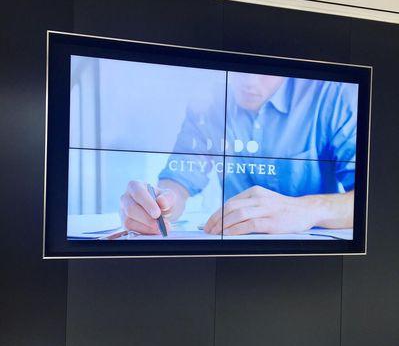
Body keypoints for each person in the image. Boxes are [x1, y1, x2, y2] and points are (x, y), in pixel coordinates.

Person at [120, 72, 357, 236]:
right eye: (241, 72)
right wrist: (161, 204)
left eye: (265, 71)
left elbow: (369, 201)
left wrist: (306, 209)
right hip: (231, 260)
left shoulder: (331, 95)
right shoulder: (209, 100)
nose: (249, 82)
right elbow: (179, 181)